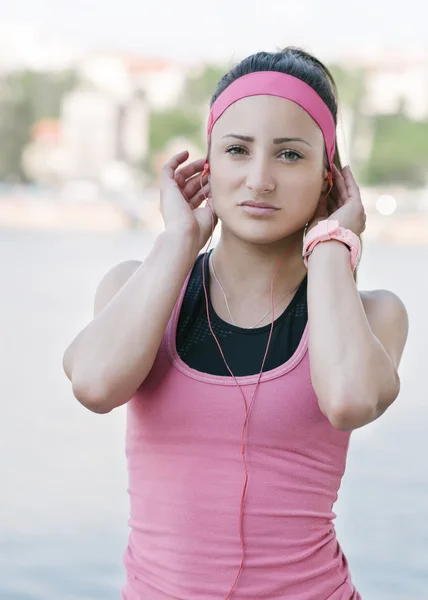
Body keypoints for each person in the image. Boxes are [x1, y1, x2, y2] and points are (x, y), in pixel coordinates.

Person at [63, 47, 409, 599]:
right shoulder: (137, 287)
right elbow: (95, 386)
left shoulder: (373, 315)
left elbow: (348, 399)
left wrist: (330, 247)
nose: (259, 179)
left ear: (330, 179)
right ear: (207, 166)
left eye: (290, 155)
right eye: (236, 150)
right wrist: (178, 240)